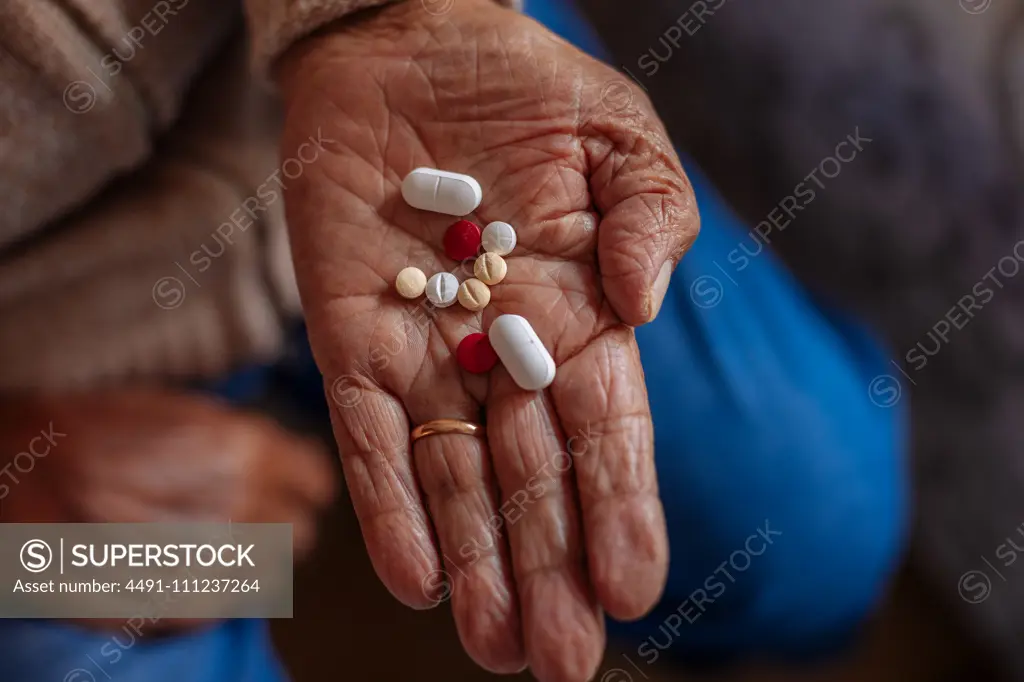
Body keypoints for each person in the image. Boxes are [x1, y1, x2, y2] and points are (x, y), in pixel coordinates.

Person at [0, 0, 906, 680]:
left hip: (374, 105)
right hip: (47, 421)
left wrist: (388, 20)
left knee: (820, 519)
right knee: (70, 585)